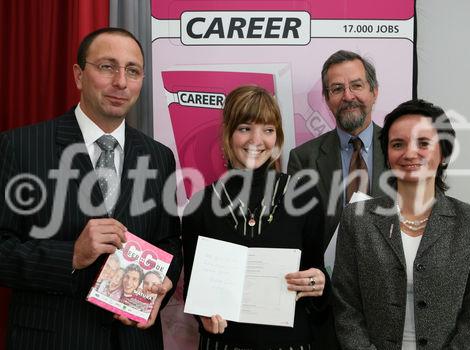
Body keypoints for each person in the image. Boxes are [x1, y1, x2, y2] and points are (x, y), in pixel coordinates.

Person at [0, 27, 182, 350]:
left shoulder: (159, 157)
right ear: (79, 75)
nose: (121, 82)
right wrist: (71, 255)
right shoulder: (21, 147)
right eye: (107, 67)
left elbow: (169, 243)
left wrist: (162, 286)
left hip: (134, 341)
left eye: (133, 71)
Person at [332, 99, 470, 349]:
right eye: (398, 144)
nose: (410, 153)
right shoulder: (357, 219)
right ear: (387, 155)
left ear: (444, 153)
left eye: (423, 143)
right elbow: (346, 306)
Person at [182, 85, 331, 350]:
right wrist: (201, 314)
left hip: (290, 343)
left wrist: (319, 283)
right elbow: (194, 288)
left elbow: (316, 277)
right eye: (245, 128)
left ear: (278, 137)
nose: (257, 140)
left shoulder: (304, 197)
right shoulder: (201, 205)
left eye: (268, 130)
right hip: (223, 344)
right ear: (227, 133)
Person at [288, 50, 386, 248]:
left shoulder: (401, 151)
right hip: (328, 275)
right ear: (326, 98)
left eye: (357, 85)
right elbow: (296, 230)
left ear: (374, 92)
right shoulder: (303, 159)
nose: (348, 96)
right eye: (337, 89)